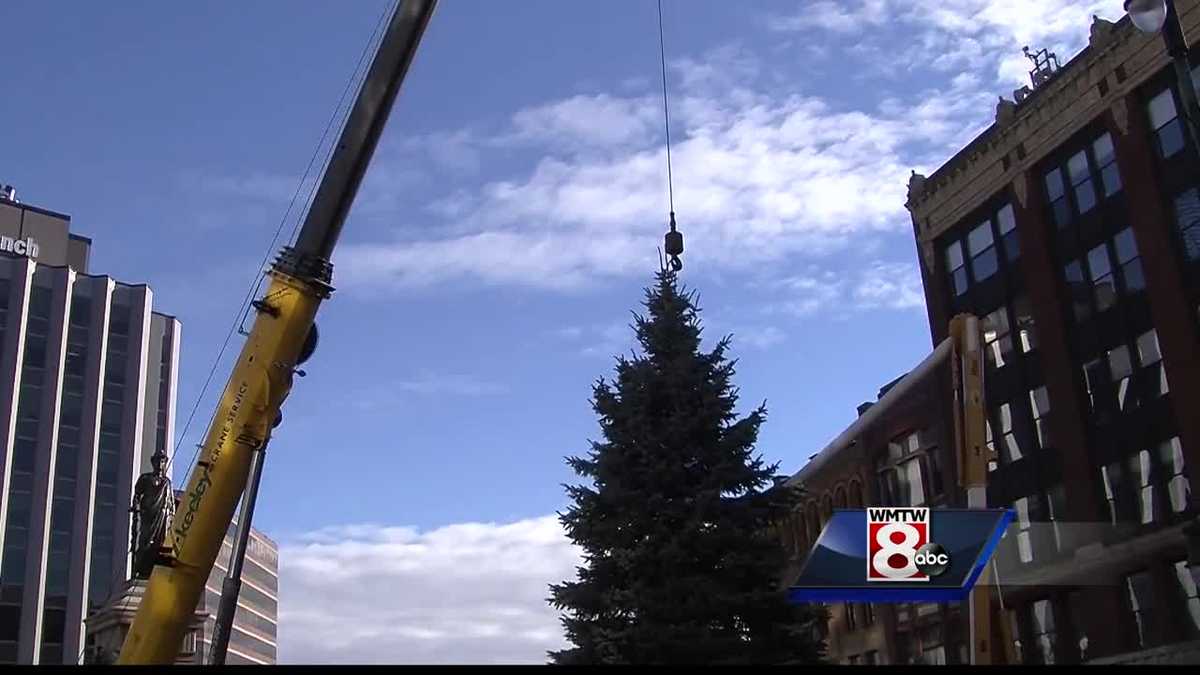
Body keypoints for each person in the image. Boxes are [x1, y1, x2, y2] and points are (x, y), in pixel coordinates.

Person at [130, 448, 174, 579]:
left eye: (163, 461)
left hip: (162, 518)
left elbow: (170, 504)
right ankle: (141, 569)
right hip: (148, 515)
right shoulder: (145, 478)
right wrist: (137, 507)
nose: (160, 464)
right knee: (145, 542)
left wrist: (171, 518)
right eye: (158, 461)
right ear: (153, 463)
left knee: (159, 544)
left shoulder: (167, 483)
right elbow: (137, 494)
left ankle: (154, 571)